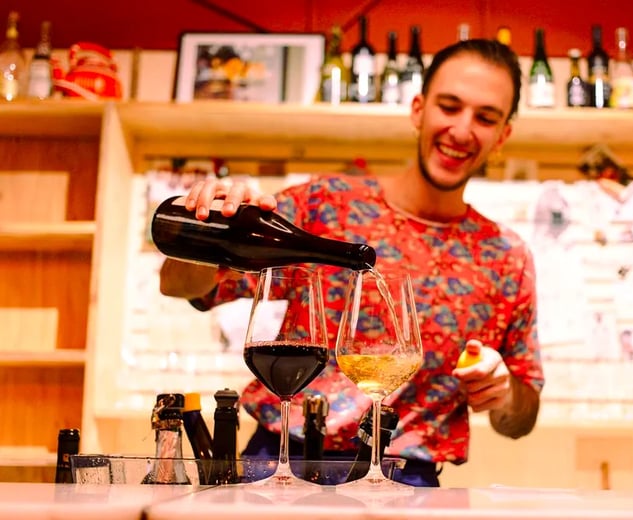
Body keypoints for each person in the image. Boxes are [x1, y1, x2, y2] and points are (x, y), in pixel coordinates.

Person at [159, 38, 544, 487]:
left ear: (503, 135)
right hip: (280, 463)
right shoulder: (326, 204)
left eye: (485, 117)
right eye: (449, 106)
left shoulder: (505, 257)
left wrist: (503, 392)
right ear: (418, 109)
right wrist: (206, 228)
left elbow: (520, 418)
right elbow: (181, 286)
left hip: (408, 482)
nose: (462, 129)